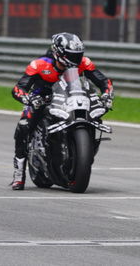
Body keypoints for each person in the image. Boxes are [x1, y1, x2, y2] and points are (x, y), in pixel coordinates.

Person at [10, 32, 114, 190]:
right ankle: (19, 175)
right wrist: (29, 99)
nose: (77, 59)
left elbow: (104, 81)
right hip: (43, 100)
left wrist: (106, 95)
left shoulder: (84, 63)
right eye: (73, 55)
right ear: (59, 52)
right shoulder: (39, 65)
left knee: (97, 116)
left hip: (72, 98)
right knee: (24, 126)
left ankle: (82, 156)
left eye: (79, 55)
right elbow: (18, 88)